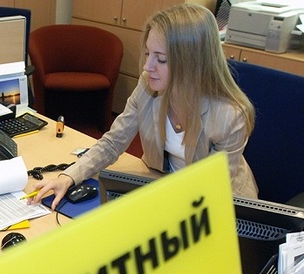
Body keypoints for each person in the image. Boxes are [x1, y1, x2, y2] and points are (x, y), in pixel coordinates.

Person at [30, 4, 258, 210]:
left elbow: (211, 189)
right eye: (148, 53)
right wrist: (68, 177)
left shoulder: (230, 116)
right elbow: (113, 142)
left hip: (222, 201)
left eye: (161, 59)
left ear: (192, 63)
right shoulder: (148, 85)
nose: (147, 67)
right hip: (163, 181)